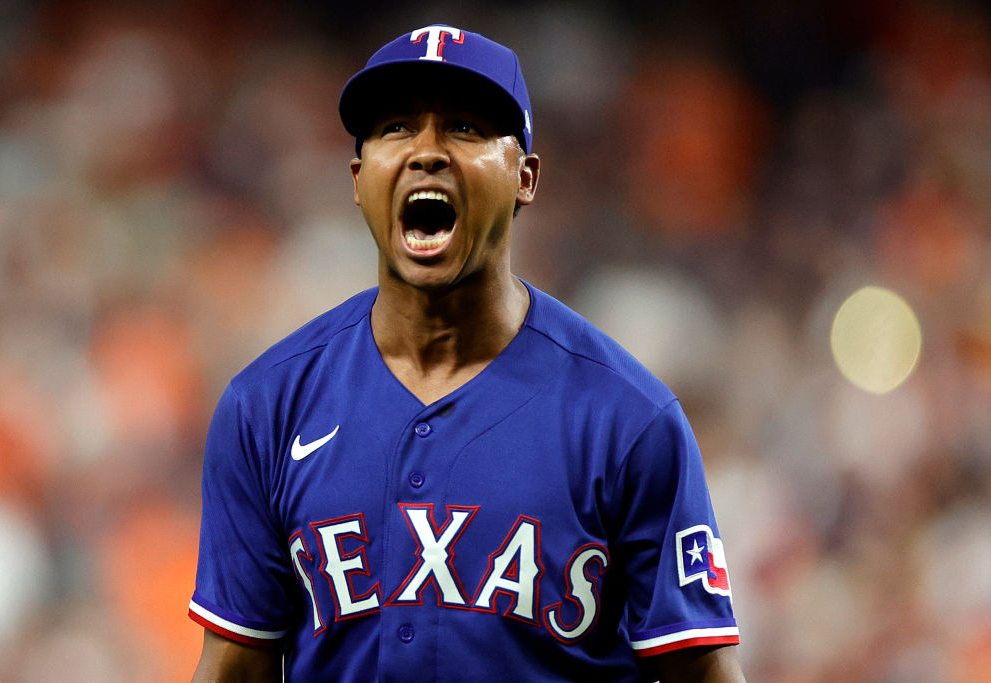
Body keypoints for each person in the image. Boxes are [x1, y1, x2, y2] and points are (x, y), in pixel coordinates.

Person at [189, 24, 745, 682]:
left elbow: (702, 672)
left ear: (525, 177)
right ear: (359, 177)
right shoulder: (267, 407)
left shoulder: (629, 419)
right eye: (396, 127)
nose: (427, 152)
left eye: (466, 127)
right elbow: (236, 665)